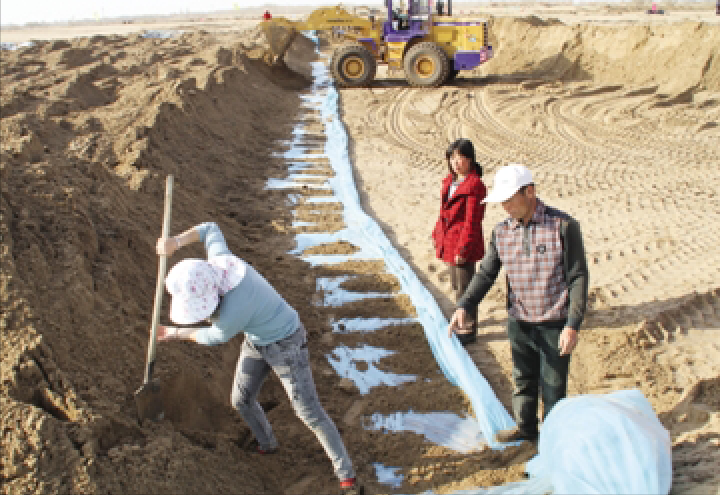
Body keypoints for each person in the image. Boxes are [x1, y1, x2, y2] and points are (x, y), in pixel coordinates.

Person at [155, 222, 364, 495]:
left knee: (309, 412)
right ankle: (267, 443)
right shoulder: (219, 264)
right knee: (240, 400)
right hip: (257, 339)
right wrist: (176, 242)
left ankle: (347, 476)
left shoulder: (233, 310)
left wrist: (173, 333)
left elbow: (212, 337)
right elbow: (209, 229)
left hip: (287, 344)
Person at [448, 164, 588, 443]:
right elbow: (487, 273)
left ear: (530, 192)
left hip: (554, 323)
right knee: (523, 381)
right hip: (520, 322)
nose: (505, 207)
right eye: (502, 201)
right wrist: (464, 305)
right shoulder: (502, 232)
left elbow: (578, 277)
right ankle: (526, 429)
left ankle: (552, 441)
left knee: (553, 389)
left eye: (510, 200)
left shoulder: (562, 227)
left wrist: (572, 325)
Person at [432, 138, 487, 346]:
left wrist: (463, 249)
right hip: (450, 241)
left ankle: (469, 328)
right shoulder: (450, 182)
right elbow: (443, 213)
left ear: (470, 159)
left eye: (461, 157)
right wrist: (437, 234)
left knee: (466, 288)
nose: (456, 162)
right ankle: (461, 318)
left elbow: (472, 222)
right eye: (453, 157)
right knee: (457, 284)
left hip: (463, 244)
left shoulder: (475, 186)